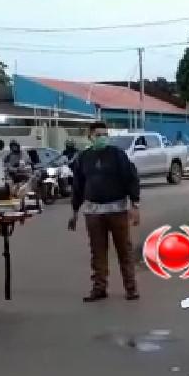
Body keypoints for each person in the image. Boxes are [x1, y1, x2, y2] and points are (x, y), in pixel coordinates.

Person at [69, 122, 141, 302]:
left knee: (124, 250)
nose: (102, 137)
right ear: (90, 136)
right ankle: (99, 287)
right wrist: (75, 211)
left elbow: (131, 178)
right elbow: (78, 186)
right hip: (93, 213)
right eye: (98, 134)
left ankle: (130, 288)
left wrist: (135, 204)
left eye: (105, 134)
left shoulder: (118, 155)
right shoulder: (83, 158)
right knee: (97, 252)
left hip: (117, 211)